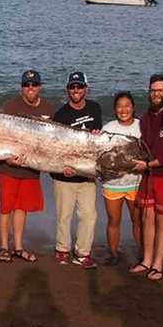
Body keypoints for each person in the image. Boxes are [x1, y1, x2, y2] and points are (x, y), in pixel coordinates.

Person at [0, 69, 54, 263]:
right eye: (26, 85)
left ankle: (18, 246)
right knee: (6, 208)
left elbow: (52, 141)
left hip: (31, 168)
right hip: (8, 167)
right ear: (22, 87)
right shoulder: (10, 106)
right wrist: (6, 159)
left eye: (34, 84)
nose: (30, 88)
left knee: (22, 207)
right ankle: (4, 247)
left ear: (40, 86)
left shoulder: (48, 108)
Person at [130, 74, 163, 281]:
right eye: (153, 90)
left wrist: (149, 164)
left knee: (162, 222)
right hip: (148, 175)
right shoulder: (146, 116)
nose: (156, 94)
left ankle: (158, 265)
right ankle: (146, 260)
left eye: (160, 90)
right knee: (146, 218)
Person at [51, 71, 102, 269]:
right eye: (72, 87)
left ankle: (83, 253)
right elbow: (55, 146)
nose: (76, 90)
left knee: (89, 215)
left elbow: (94, 141)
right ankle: (62, 249)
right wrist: (63, 167)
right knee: (64, 215)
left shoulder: (95, 108)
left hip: (87, 174)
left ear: (86, 89)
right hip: (64, 174)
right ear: (67, 90)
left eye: (79, 86)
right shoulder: (61, 114)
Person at [101, 91, 144, 265]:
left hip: (136, 183)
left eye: (127, 105)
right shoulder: (108, 128)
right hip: (112, 183)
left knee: (138, 221)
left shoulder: (142, 127)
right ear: (115, 109)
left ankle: (143, 254)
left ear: (133, 108)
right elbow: (100, 156)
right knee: (113, 220)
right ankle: (113, 253)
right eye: (119, 106)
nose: (123, 109)